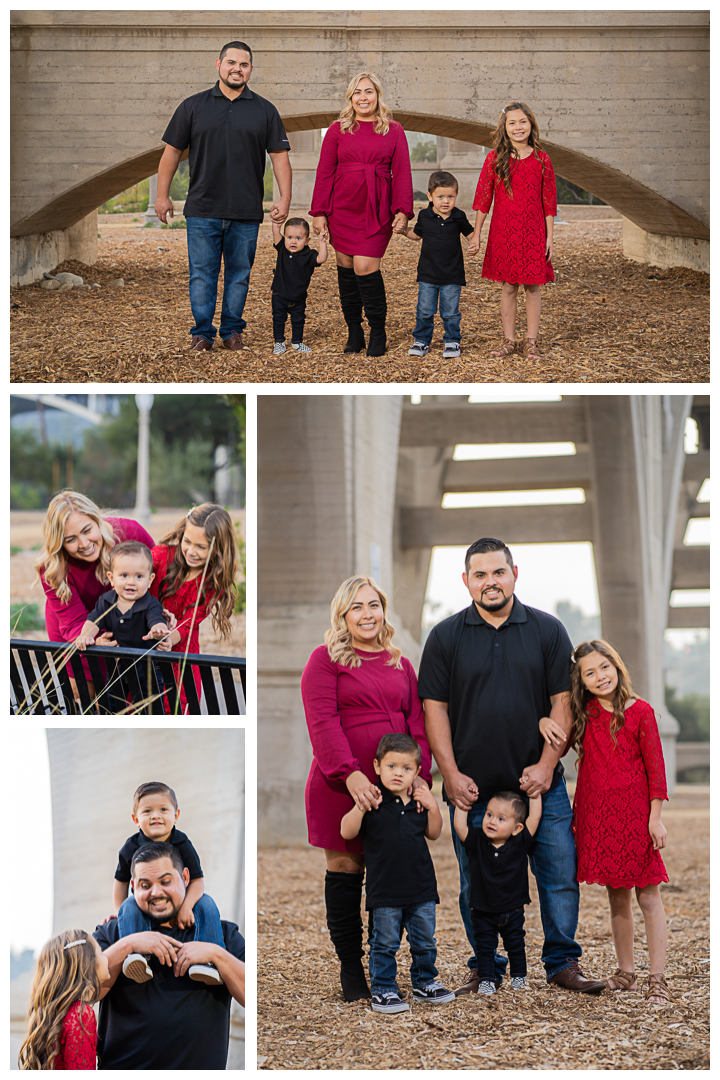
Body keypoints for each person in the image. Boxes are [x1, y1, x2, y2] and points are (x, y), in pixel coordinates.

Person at [418, 537, 605, 995]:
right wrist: (451, 775)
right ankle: (488, 966)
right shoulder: (444, 637)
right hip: (474, 790)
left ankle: (562, 963)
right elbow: (434, 710)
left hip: (540, 787)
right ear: (466, 581)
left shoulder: (547, 629)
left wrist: (545, 766)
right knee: (474, 888)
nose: (490, 582)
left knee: (559, 874)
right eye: (479, 575)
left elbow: (563, 702)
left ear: (514, 573)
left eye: (497, 572)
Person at [301, 576, 433, 1002]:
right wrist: (351, 773)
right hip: (339, 784)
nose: (367, 614)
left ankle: (386, 968)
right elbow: (322, 722)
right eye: (356, 607)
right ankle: (350, 965)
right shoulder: (324, 660)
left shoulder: (400, 663)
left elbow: (418, 726)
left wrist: (421, 779)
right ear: (343, 614)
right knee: (345, 873)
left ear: (384, 609)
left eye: (373, 605)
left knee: (388, 878)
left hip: (396, 787)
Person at [540, 640, 671, 1006]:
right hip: (597, 816)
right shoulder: (584, 714)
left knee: (648, 895)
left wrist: (655, 819)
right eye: (590, 673)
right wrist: (543, 719)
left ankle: (657, 979)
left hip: (635, 818)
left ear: (617, 665)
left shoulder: (641, 711)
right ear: (581, 681)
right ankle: (626, 973)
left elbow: (656, 770)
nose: (600, 677)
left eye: (604, 667)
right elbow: (560, 744)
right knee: (617, 897)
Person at [155, 40, 292, 352]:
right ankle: (202, 334)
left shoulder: (265, 110)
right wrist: (161, 196)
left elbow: (280, 157)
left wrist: (284, 198)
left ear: (250, 70)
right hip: (203, 209)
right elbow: (171, 152)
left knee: (239, 276)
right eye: (231, 63)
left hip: (246, 210)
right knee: (202, 277)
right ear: (218, 65)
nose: (237, 69)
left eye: (243, 65)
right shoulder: (192, 106)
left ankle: (232, 332)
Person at [93, 841, 245, 1070]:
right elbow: (83, 992)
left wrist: (216, 954)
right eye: (145, 885)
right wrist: (128, 945)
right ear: (133, 886)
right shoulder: (113, 933)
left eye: (165, 882)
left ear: (185, 877)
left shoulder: (219, 933)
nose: (156, 892)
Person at [341, 733, 454, 1014]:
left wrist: (432, 805)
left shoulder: (418, 802)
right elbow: (346, 831)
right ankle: (383, 989)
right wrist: (360, 806)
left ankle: (425, 983)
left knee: (425, 941)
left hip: (422, 888)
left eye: (406, 769)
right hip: (385, 891)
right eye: (391, 766)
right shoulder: (373, 801)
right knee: (385, 943)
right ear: (377, 766)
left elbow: (434, 832)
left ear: (417, 773)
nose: (398, 773)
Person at [310, 72, 414, 357]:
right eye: (357, 92)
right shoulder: (337, 129)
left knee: (365, 268)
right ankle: (354, 330)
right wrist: (320, 212)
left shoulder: (393, 129)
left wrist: (402, 210)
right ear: (350, 97)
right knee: (345, 269)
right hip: (342, 207)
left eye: (368, 92)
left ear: (377, 95)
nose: (363, 98)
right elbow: (325, 172)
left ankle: (377, 330)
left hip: (376, 208)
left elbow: (402, 171)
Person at [34, 490, 161, 706]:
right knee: (88, 698)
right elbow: (73, 621)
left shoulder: (131, 533)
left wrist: (158, 616)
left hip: (128, 621)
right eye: (70, 539)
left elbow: (156, 578)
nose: (83, 543)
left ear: (97, 519)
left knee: (132, 694)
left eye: (87, 530)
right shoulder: (52, 567)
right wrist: (97, 640)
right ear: (60, 543)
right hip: (77, 628)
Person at [112, 781, 226, 986]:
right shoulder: (130, 847)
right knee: (129, 906)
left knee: (207, 903)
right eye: (147, 811)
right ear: (136, 819)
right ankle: (137, 957)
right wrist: (120, 913)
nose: (156, 815)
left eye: (163, 809)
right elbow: (120, 883)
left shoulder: (182, 843)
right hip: (144, 906)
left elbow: (198, 881)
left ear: (176, 815)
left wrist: (187, 906)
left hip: (180, 903)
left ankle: (208, 959)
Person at [467, 102, 557, 360]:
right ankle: (509, 340)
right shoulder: (494, 159)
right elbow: (484, 199)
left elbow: (549, 201)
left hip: (534, 232)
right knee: (508, 287)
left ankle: (531, 342)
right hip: (504, 231)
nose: (518, 127)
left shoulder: (542, 159)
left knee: (532, 287)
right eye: (512, 123)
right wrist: (477, 233)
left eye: (523, 122)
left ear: (531, 125)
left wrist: (550, 237)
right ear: (504, 128)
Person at [149, 504, 239, 712]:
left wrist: (167, 640)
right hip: (144, 648)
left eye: (201, 546)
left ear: (218, 549)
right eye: (187, 541)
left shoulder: (211, 583)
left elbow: (189, 624)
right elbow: (134, 575)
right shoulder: (162, 556)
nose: (191, 551)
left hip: (180, 658)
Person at [454, 789, 542, 995]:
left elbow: (535, 816)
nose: (492, 821)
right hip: (483, 910)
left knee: (516, 945)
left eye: (501, 818)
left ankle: (519, 978)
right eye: (489, 814)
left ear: (517, 828)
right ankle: (487, 979)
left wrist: (535, 793)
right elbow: (459, 825)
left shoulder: (520, 841)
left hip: (513, 909)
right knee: (485, 947)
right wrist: (461, 803)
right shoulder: (477, 840)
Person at [74, 542, 170, 711]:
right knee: (112, 704)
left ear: (150, 580)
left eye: (139, 576)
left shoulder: (150, 604)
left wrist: (158, 630)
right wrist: (86, 635)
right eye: (124, 575)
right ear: (111, 578)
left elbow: (156, 619)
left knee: (151, 708)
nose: (131, 582)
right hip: (116, 666)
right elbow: (94, 620)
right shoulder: (106, 601)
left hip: (146, 669)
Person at [400, 170, 473, 360]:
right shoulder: (424, 216)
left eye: (451, 196)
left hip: (452, 275)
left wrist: (475, 243)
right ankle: (422, 340)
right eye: (440, 197)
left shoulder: (458, 216)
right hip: (428, 274)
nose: (446, 201)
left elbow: (470, 234)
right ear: (430, 196)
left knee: (450, 313)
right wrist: (403, 231)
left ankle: (452, 341)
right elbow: (417, 235)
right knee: (424, 310)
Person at [18, 929, 110, 1070]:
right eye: (101, 951)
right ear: (88, 962)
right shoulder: (81, 1015)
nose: (107, 957)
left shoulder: (60, 1014)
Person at [270, 216, 328, 356]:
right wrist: (276, 222)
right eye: (289, 237)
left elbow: (322, 258)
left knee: (298, 320)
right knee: (279, 318)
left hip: (299, 296)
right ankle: (279, 342)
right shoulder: (283, 249)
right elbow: (276, 233)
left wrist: (322, 242)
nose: (293, 241)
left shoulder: (309, 255)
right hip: (280, 294)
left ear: (307, 240)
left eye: (298, 238)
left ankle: (297, 342)